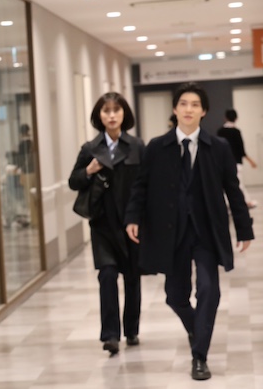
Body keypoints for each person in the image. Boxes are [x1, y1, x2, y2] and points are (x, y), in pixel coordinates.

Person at [125, 82, 254, 381]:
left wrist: (244, 229)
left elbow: (232, 190)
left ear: (203, 111)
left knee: (209, 289)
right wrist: (132, 217)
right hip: (171, 233)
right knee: (175, 296)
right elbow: (141, 186)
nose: (188, 109)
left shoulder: (218, 147)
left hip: (206, 230)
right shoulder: (157, 147)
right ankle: (197, 329)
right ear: (175, 109)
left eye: (195, 104)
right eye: (183, 103)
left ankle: (199, 356)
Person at [68, 92, 144, 355]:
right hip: (102, 224)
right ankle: (111, 335)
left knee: (132, 278)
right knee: (108, 275)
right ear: (99, 116)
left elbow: (146, 184)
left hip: (130, 224)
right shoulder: (90, 148)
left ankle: (131, 329)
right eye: (106, 111)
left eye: (116, 110)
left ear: (124, 114)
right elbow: (73, 181)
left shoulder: (137, 146)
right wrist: (88, 171)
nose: (111, 116)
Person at [217, 109, 258, 209]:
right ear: (236, 118)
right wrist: (251, 161)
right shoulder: (236, 132)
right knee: (238, 183)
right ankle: (246, 202)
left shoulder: (220, 131)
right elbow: (241, 150)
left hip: (222, 162)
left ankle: (227, 203)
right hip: (236, 162)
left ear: (225, 118)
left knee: (224, 183)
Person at [17, 123, 38, 228]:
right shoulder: (32, 143)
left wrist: (21, 170)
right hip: (35, 172)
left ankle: (35, 221)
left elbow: (21, 160)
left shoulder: (22, 145)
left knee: (30, 198)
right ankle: (37, 219)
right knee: (35, 197)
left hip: (28, 172)